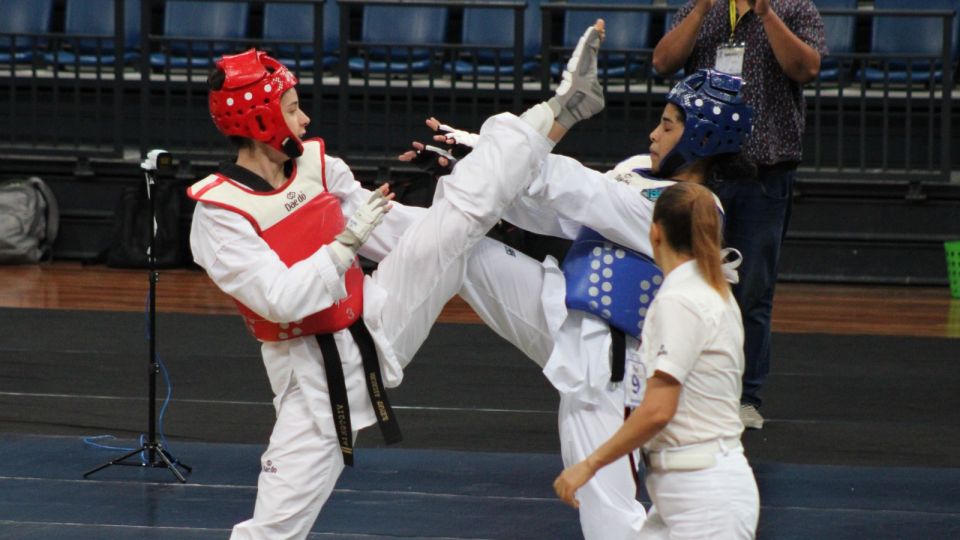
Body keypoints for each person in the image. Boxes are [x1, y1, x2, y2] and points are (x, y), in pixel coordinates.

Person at [187, 21, 606, 540]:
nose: (305, 117)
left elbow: (391, 231)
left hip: (379, 312)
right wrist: (343, 246)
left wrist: (457, 210)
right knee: (273, 530)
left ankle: (560, 108)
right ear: (259, 118)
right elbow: (280, 299)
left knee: (460, 219)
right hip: (314, 373)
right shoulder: (220, 213)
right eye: (292, 108)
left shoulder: (319, 165)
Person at [400, 68, 754, 540]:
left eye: (669, 125)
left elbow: (581, 191)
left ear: (703, 138)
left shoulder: (692, 208)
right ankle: (340, 217)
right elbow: (554, 210)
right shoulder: (634, 171)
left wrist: (479, 148)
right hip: (561, 311)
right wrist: (473, 173)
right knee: (457, 236)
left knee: (608, 520)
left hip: (609, 366)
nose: (654, 132)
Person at [653, 0, 827, 428]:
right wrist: (700, 10)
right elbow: (662, 62)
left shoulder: (794, 7)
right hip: (702, 170)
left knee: (751, 288)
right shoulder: (702, 8)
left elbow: (806, 69)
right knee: (685, 276)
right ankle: (684, 385)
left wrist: (767, 14)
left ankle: (744, 396)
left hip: (763, 171)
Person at [553, 180, 760, 539]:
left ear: (655, 231)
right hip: (689, 493)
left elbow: (658, 410)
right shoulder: (709, 290)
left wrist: (589, 465)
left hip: (703, 498)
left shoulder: (680, 300)